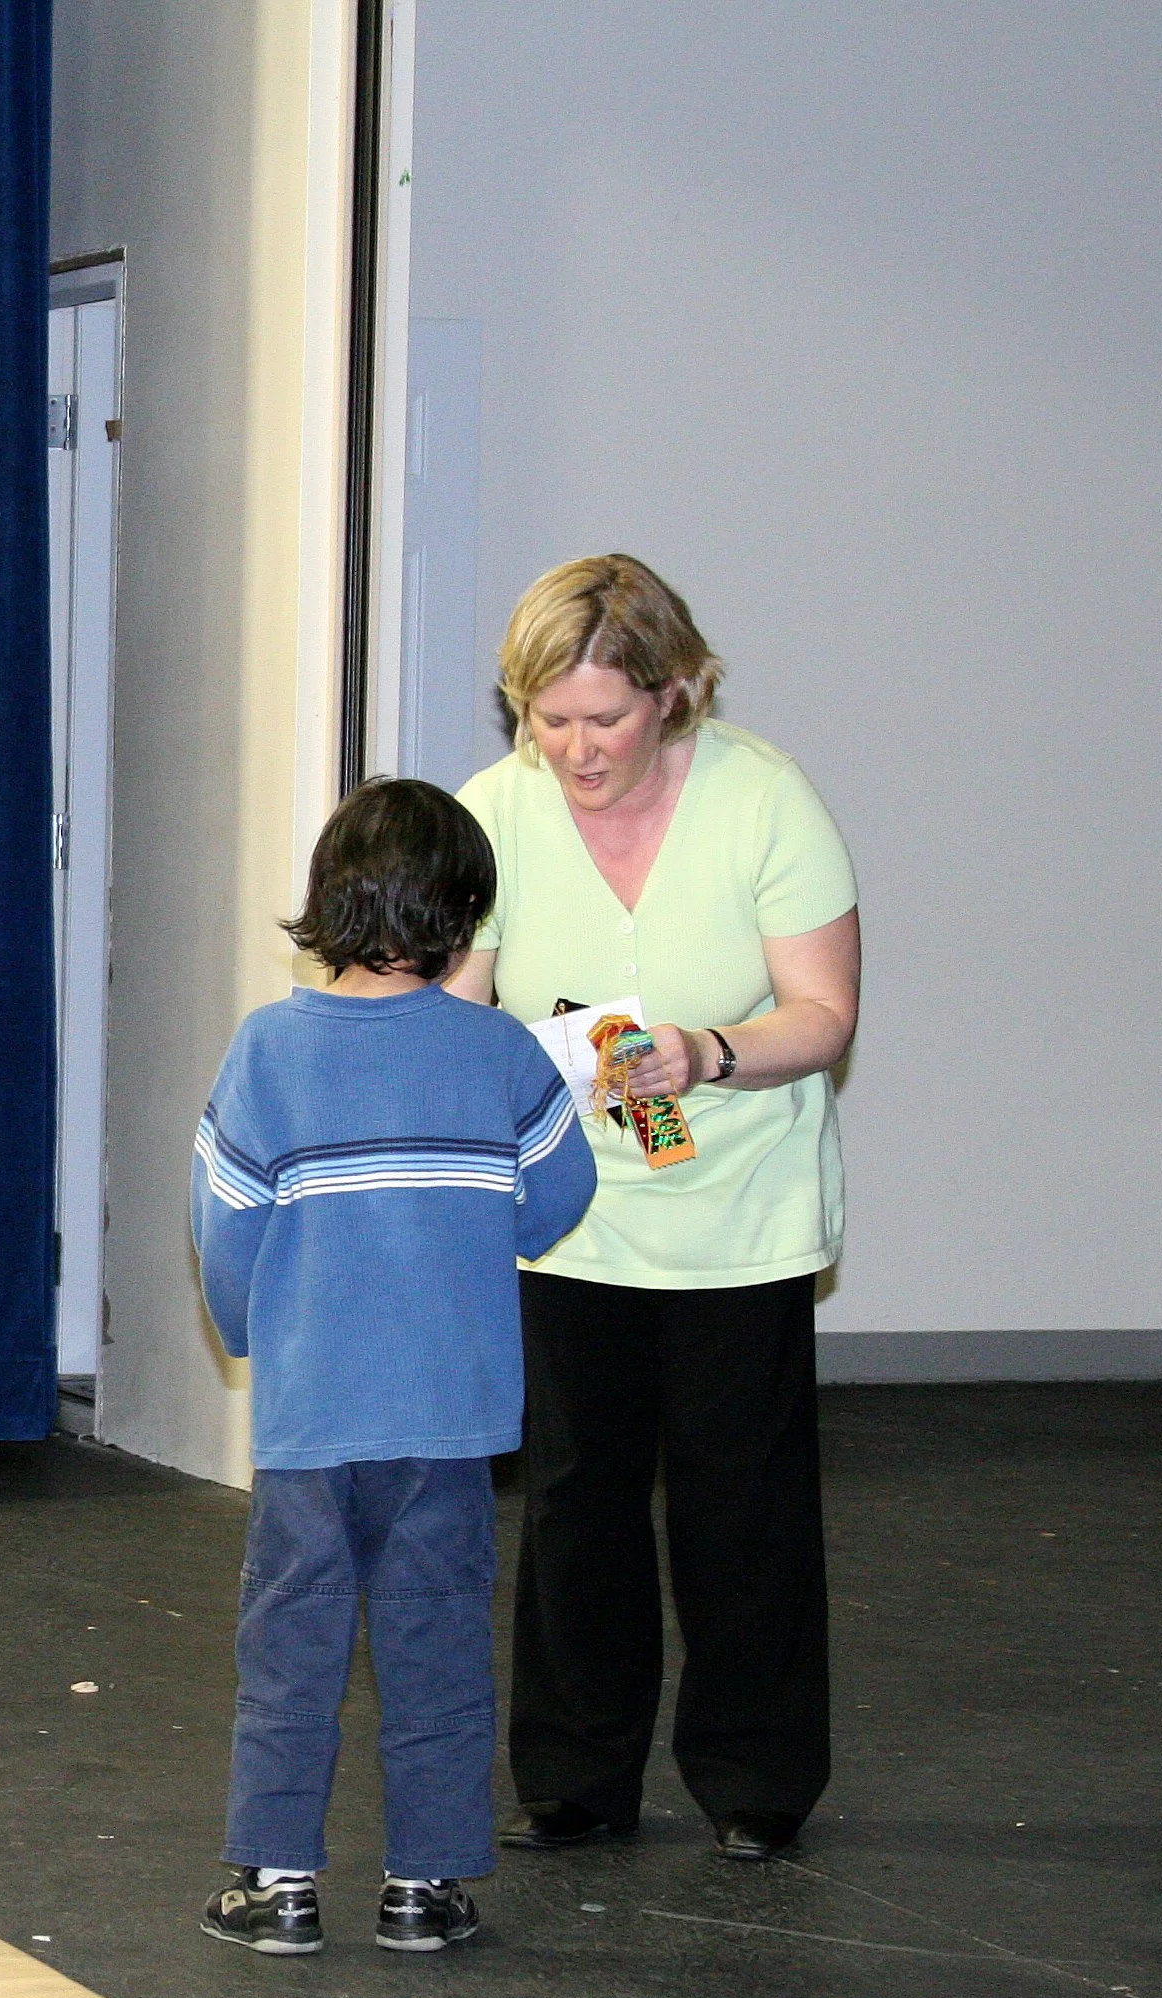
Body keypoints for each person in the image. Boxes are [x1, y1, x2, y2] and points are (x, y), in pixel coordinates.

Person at [445, 555, 860, 1863]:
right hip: (569, 1209)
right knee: (575, 1497)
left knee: (745, 1502)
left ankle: (756, 1778)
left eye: (602, 719)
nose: (572, 748)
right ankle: (573, 1773)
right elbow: (460, 998)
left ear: (676, 693)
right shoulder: (493, 812)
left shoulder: (768, 800)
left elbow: (824, 1015)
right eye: (544, 718)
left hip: (735, 1206)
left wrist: (705, 1053)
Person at [191, 778, 594, 1954]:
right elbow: (557, 1193)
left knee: (292, 1646)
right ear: (466, 914)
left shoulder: (268, 1048)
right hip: (452, 1420)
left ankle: (278, 1886)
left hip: (314, 1419)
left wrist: (252, 1333)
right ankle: (423, 1888)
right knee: (437, 1647)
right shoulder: (500, 1054)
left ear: (323, 903)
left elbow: (225, 1226)